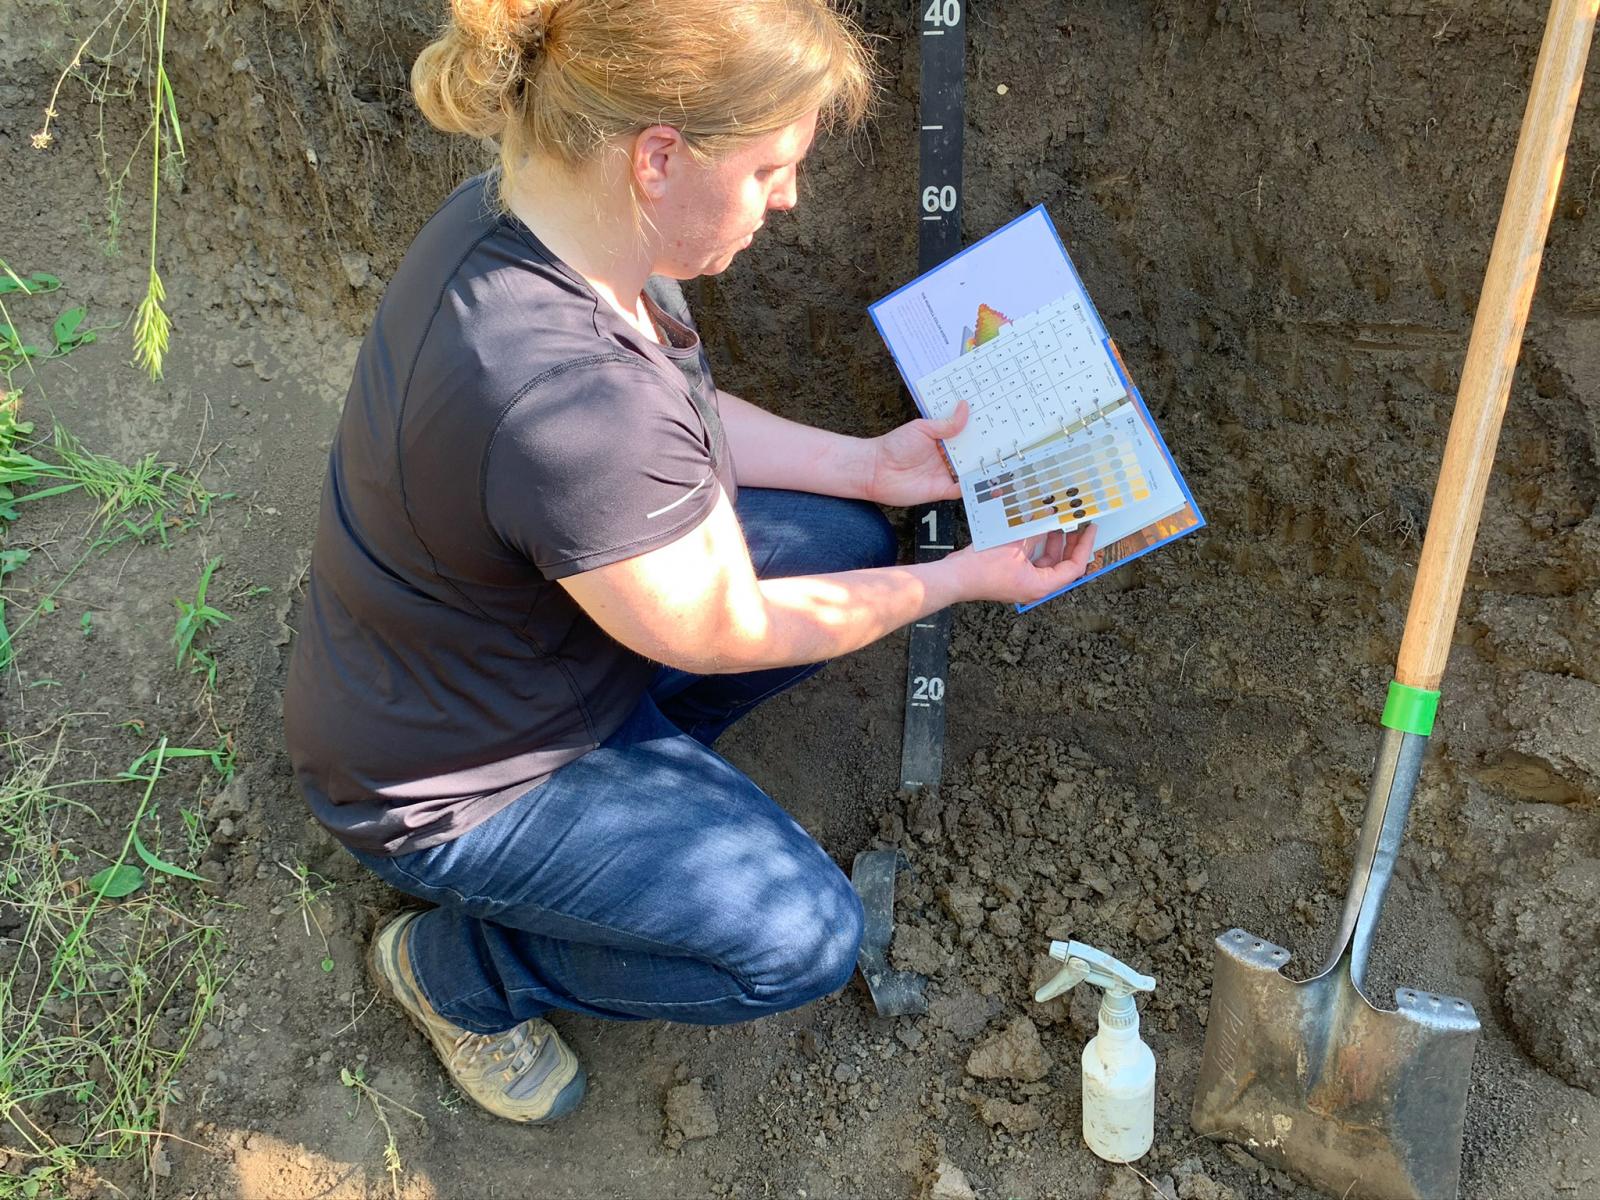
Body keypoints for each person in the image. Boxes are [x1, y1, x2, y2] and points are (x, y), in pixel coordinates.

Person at [283, 0, 1095, 1127]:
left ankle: (636, 822)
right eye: (770, 169)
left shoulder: (543, 226)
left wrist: (869, 469)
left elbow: (679, 426)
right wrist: (960, 579)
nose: (788, 197)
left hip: (485, 661)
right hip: (456, 786)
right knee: (800, 940)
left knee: (845, 538)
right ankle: (461, 971)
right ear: (659, 155)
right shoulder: (567, 402)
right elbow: (725, 624)